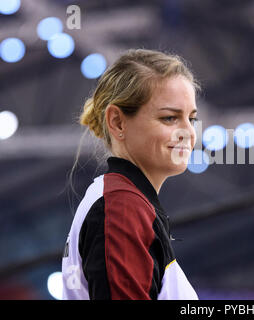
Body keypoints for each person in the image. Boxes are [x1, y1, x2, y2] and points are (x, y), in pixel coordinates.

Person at [61, 49, 200, 300]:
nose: (188, 132)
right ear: (118, 122)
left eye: (192, 118)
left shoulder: (124, 202)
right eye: (170, 118)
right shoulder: (121, 207)